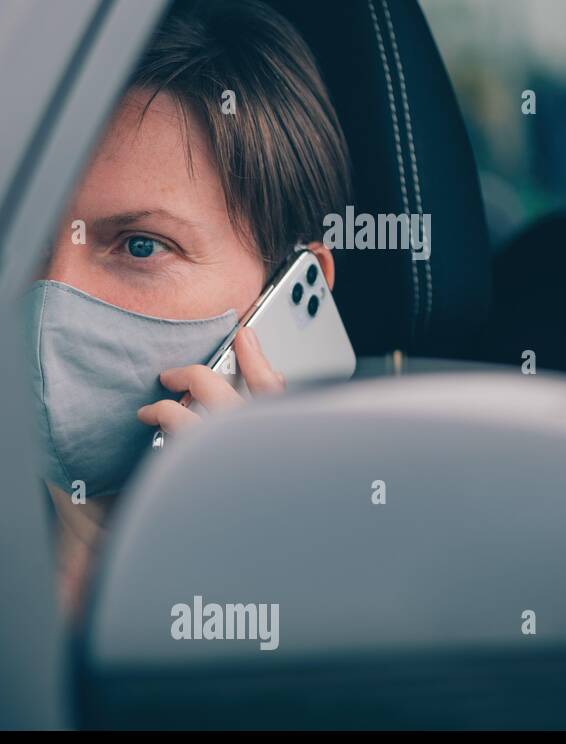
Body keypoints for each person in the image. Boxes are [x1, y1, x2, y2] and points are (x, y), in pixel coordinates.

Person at [25, 0, 352, 619]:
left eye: (142, 245)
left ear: (284, 291)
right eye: (29, 242)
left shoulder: (365, 603)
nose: (54, 292)